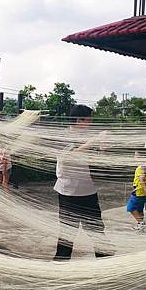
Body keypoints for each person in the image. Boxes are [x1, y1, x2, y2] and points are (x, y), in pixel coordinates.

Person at [53, 105, 111, 260]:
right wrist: (93, 141)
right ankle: (60, 262)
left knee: (96, 228)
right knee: (68, 231)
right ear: (78, 120)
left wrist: (103, 147)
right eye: (88, 120)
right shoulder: (63, 136)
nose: (90, 123)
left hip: (87, 189)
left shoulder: (87, 136)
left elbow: (96, 159)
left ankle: (105, 261)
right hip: (68, 191)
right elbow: (68, 157)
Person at [127, 150, 146, 232]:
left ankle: (141, 223)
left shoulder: (141, 168)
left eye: (136, 155)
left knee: (131, 208)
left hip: (138, 192)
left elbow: (141, 180)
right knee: (140, 209)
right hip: (143, 193)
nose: (134, 157)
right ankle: (140, 225)